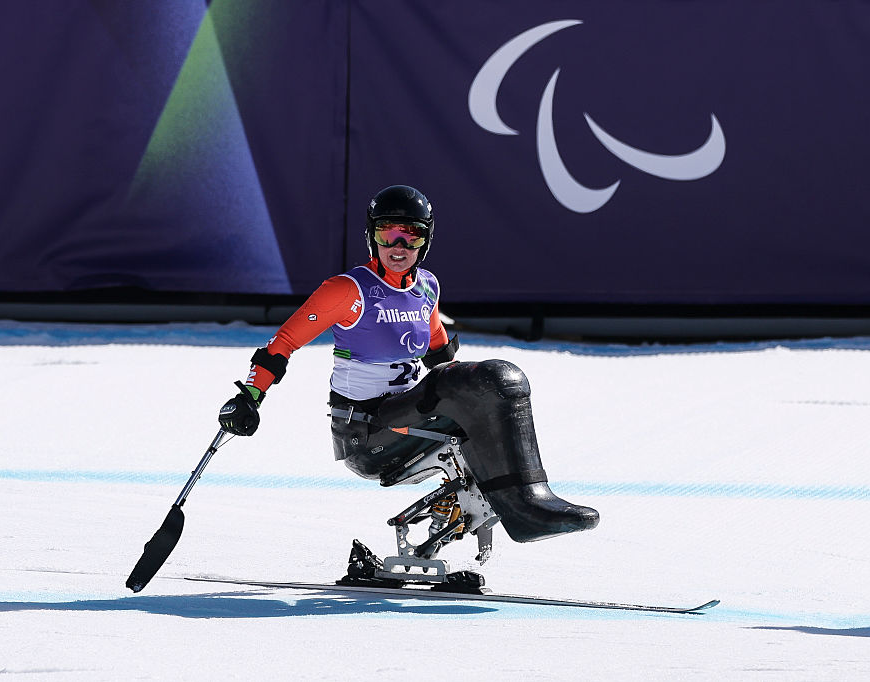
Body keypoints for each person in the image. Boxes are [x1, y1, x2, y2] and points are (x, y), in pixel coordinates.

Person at [218, 185, 598, 544]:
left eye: (411, 236)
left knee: (497, 387)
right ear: (372, 237)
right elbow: (282, 343)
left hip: (409, 413)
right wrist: (249, 397)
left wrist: (473, 394)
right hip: (365, 431)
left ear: (425, 241)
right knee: (496, 378)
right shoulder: (348, 290)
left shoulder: (426, 287)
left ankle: (526, 499)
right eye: (388, 234)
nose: (398, 247)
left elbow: (439, 352)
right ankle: (526, 507)